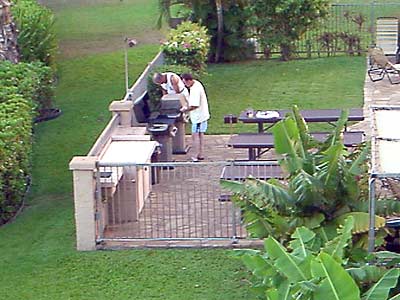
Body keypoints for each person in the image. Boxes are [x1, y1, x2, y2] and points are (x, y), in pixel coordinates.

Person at [180, 73, 210, 162]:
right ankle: (200, 154)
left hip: (198, 117)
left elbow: (195, 105)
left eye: (184, 82)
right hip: (202, 115)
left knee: (195, 136)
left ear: (188, 80)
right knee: (201, 135)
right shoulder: (197, 83)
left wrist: (185, 110)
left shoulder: (195, 90)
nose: (185, 85)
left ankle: (195, 156)